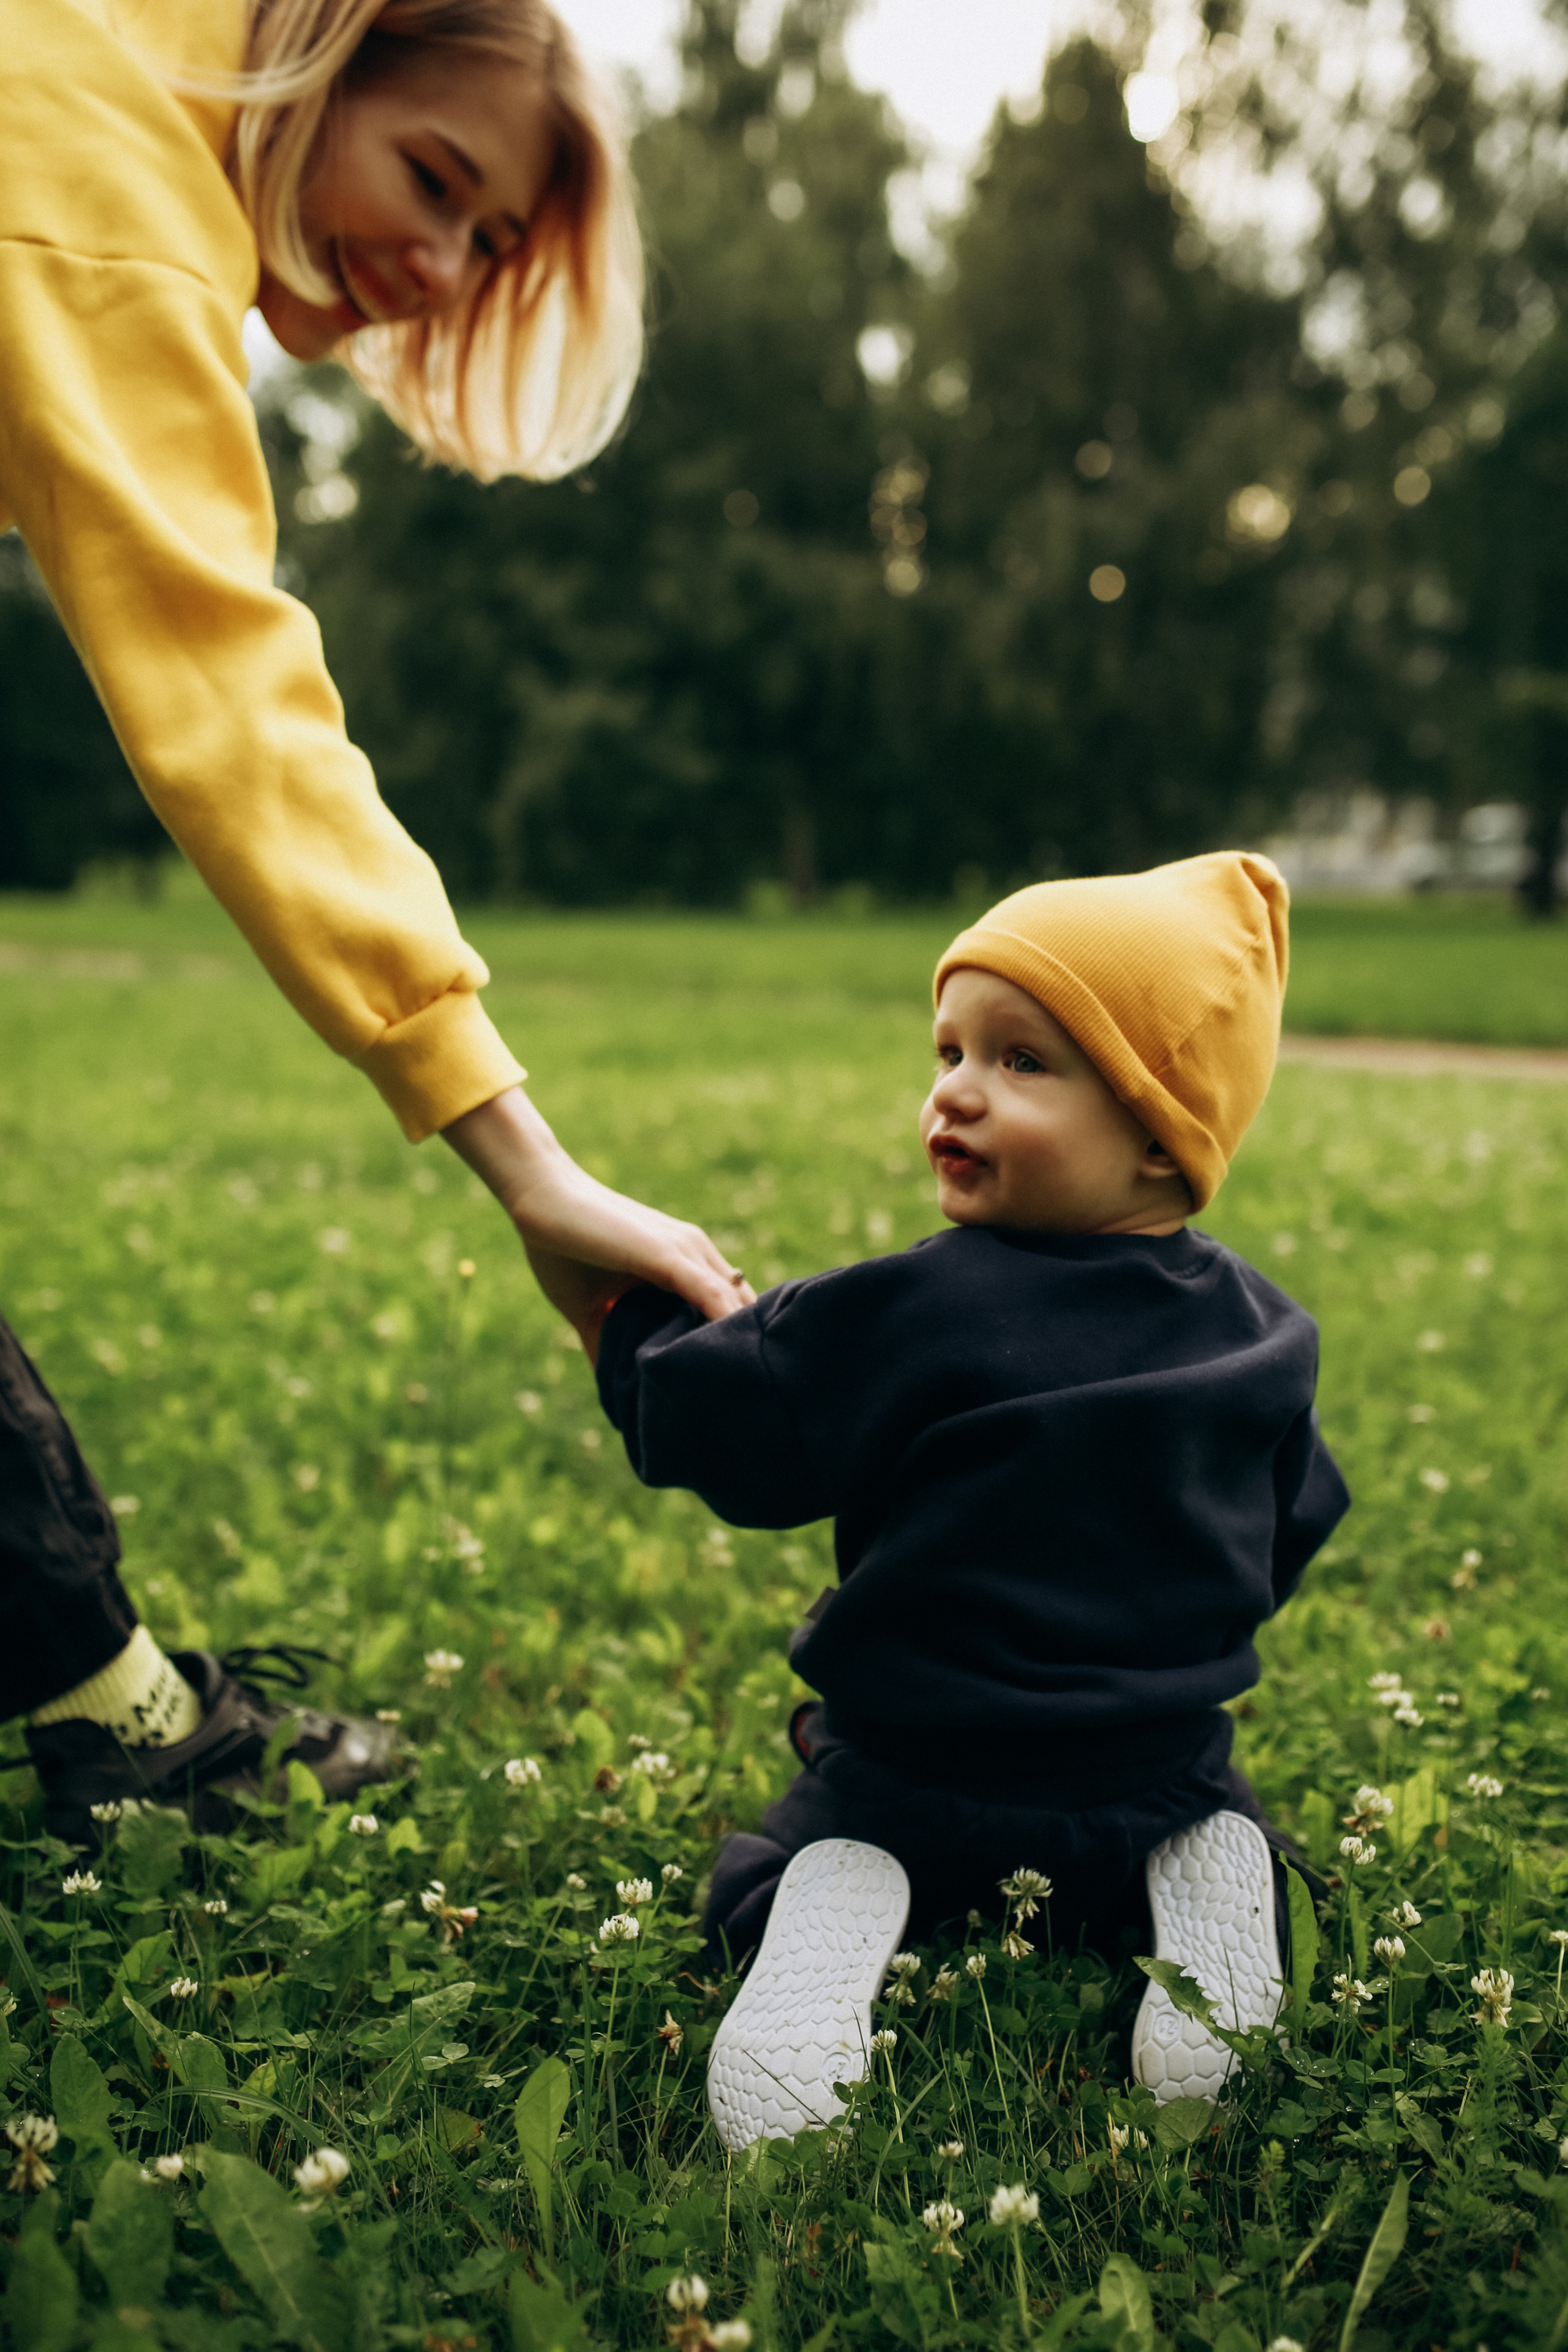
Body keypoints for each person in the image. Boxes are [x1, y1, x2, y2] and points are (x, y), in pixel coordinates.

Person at [1, 0, 748, 1844]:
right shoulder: (101, 178)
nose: (440, 269)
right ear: (321, 51)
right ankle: (120, 1721)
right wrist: (526, 1160)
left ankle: (109, 1701)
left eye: (487, 244)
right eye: (433, 179)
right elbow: (235, 706)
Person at [589, 852, 1351, 2141]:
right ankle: (1216, 1887)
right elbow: (1293, 1524)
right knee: (1222, 1822)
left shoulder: (909, 1310)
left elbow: (720, 1422)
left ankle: (828, 1893)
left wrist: (622, 1316)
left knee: (779, 1863)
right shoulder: (1262, 1336)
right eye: (948, 1051)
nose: (955, 1090)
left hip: (905, 1775)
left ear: (1158, 1134)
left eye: (1021, 1062)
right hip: (1150, 1771)